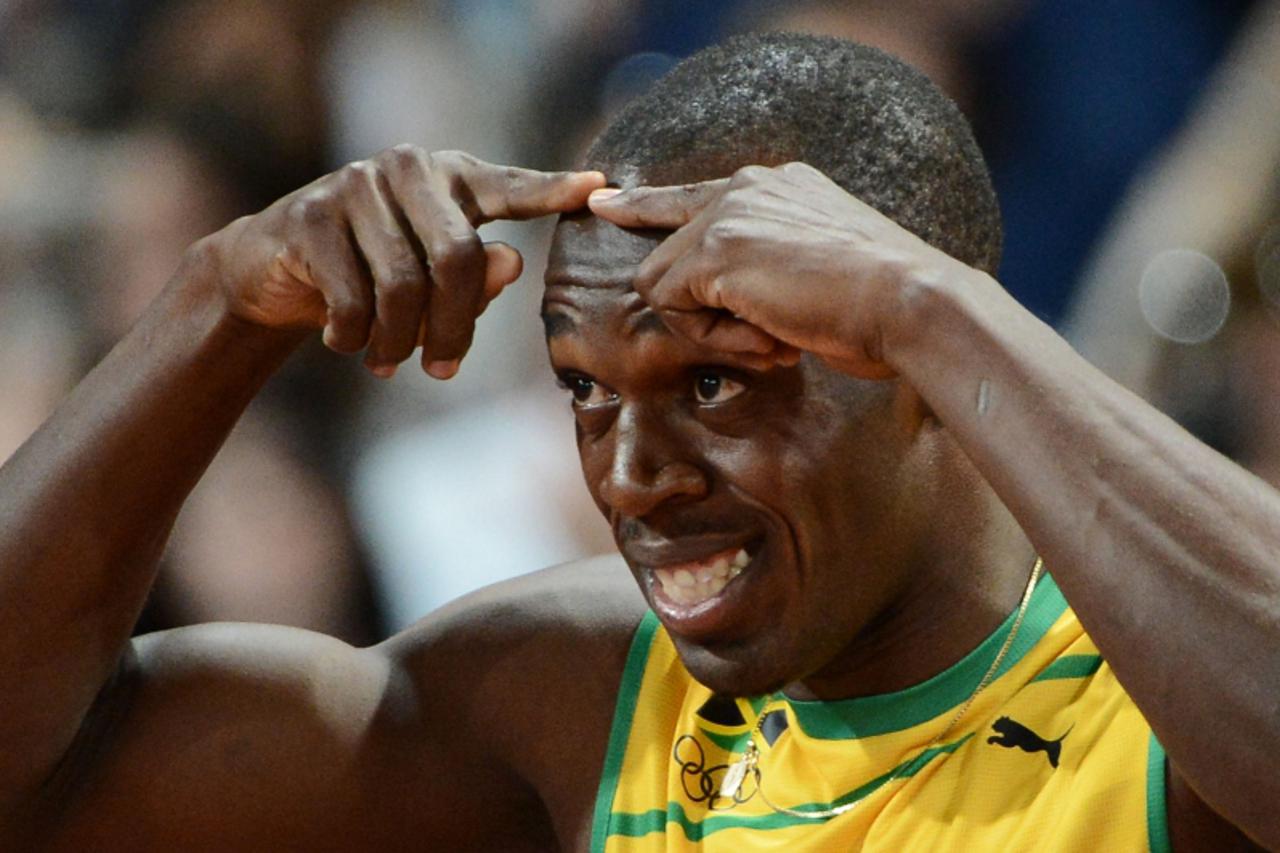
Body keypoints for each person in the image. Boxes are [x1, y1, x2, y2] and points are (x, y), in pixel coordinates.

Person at [0, 32, 1274, 851]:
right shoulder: (578, 695)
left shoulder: (1154, 696)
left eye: (717, 384)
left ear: (918, 373)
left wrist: (929, 303)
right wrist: (219, 301)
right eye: (586, 391)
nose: (628, 476)